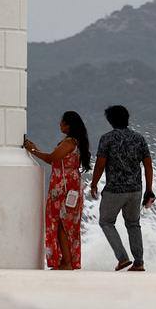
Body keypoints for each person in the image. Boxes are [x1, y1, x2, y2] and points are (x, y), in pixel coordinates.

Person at [90, 105, 154, 272]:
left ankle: (123, 258)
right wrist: (149, 189)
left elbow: (100, 163)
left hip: (115, 190)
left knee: (106, 221)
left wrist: (94, 183)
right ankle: (139, 262)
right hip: (135, 190)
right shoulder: (139, 138)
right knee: (133, 224)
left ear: (110, 121)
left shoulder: (107, 139)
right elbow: (148, 165)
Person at [24, 111, 91, 270]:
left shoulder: (69, 143)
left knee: (61, 224)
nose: (60, 125)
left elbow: (52, 158)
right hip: (70, 185)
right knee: (67, 224)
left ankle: (66, 262)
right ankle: (66, 261)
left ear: (69, 125)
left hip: (64, 186)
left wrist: (33, 150)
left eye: (62, 122)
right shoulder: (77, 142)